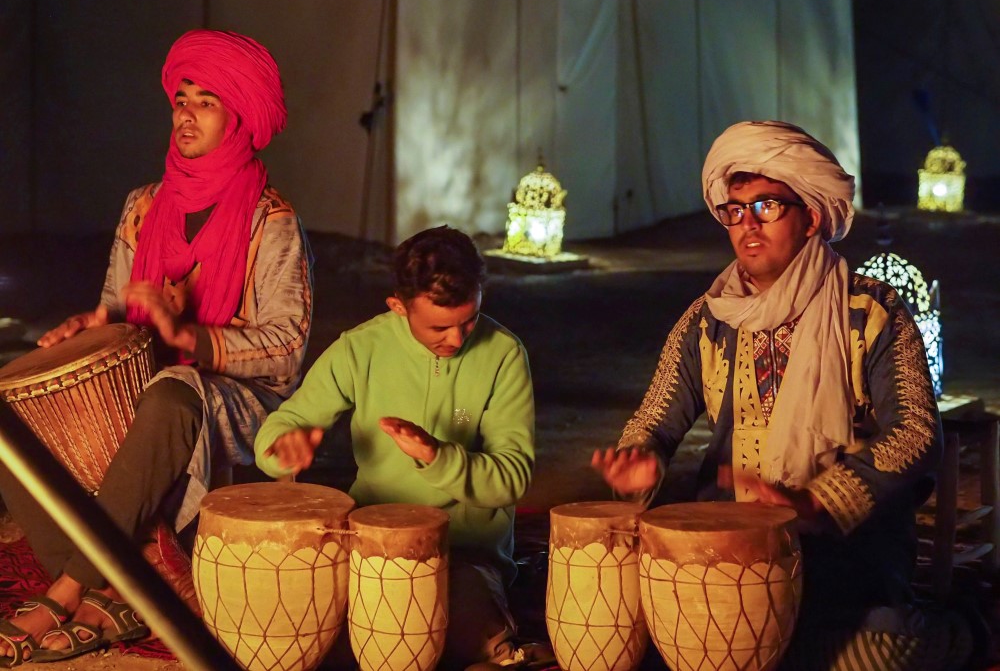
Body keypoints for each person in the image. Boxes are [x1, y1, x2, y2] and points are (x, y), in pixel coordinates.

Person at [592, 121, 976, 670]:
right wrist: (640, 462)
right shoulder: (706, 320)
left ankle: (962, 632)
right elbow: (656, 419)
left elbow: (916, 431)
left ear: (811, 216)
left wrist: (818, 501)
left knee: (868, 655)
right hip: (728, 544)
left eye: (767, 206)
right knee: (647, 641)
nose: (747, 224)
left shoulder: (871, 312)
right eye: (734, 210)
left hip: (844, 549)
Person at [0, 29, 312, 665]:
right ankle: (121, 590)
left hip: (235, 398)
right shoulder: (143, 206)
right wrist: (90, 325)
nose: (186, 114)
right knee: (11, 409)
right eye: (181, 98)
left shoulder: (271, 220)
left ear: (240, 118)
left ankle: (69, 584)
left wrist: (187, 337)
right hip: (145, 380)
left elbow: (286, 348)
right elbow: (118, 308)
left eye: (206, 101)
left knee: (172, 391)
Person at [255, 225, 550, 670]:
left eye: (469, 320)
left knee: (463, 641)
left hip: (464, 550)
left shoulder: (504, 354)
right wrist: (282, 447)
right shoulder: (360, 348)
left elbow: (511, 478)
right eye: (439, 326)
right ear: (398, 307)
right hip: (372, 545)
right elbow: (286, 423)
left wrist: (437, 456)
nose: (457, 339)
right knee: (306, 634)